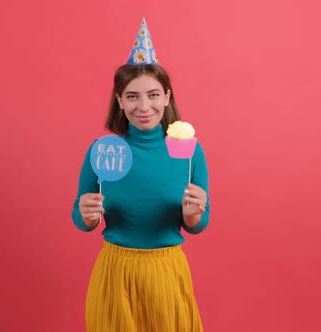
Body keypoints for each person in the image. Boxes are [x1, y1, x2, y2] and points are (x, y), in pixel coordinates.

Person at [71, 17, 210, 332]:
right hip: (115, 272)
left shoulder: (188, 151)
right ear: (119, 101)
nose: (143, 105)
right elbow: (80, 220)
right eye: (132, 96)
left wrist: (193, 215)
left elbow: (200, 225)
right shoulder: (103, 151)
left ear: (167, 96)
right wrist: (87, 215)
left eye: (153, 94)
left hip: (166, 271)